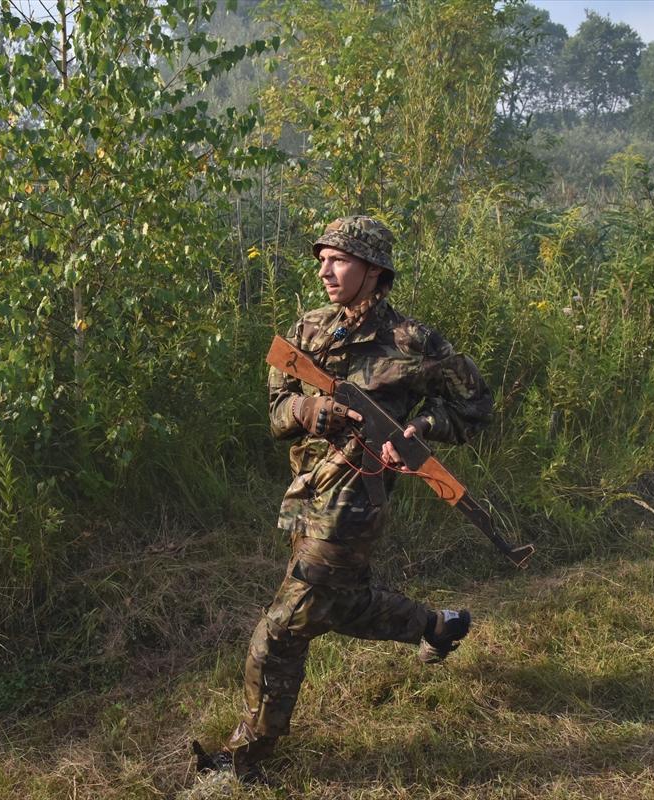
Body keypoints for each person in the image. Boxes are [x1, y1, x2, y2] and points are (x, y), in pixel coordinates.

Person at [195, 215, 494, 782]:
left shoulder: (413, 342)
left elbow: (475, 405)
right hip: (305, 493)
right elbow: (277, 414)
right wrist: (307, 409)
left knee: (282, 628)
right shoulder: (308, 329)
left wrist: (420, 427)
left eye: (339, 260)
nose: (324, 271)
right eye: (322, 259)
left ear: (374, 270)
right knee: (342, 603)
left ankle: (243, 760)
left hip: (356, 501)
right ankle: (437, 626)